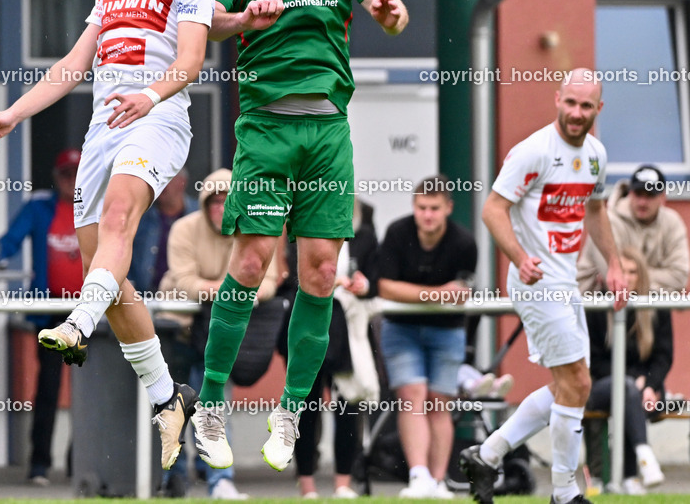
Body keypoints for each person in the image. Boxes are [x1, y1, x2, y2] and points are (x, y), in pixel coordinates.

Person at [0, 0, 217, 472]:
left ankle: (75, 325)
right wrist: (14, 112)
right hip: (104, 129)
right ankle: (169, 397)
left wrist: (151, 96)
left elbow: (189, 64)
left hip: (157, 118)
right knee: (108, 274)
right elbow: (73, 65)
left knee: (117, 222)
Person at [191, 0, 408, 473]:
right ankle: (209, 401)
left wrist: (391, 13)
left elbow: (385, 7)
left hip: (327, 132)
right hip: (265, 129)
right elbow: (207, 26)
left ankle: (289, 412)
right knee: (254, 262)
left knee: (318, 273)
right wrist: (242, 19)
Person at [460, 68, 629, 504]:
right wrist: (519, 257)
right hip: (536, 282)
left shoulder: (595, 154)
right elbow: (494, 210)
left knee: (569, 387)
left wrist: (615, 264)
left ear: (599, 109)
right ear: (557, 99)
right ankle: (564, 493)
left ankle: (488, 454)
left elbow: (595, 211)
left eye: (585, 106)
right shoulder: (533, 151)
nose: (576, 113)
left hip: (566, 281)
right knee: (576, 382)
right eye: (570, 103)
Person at [158, 168, 278, 498]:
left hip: (220, 332)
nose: (220, 208)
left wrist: (226, 293)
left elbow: (270, 280)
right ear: (204, 202)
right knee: (172, 408)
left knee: (214, 405)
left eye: (227, 200)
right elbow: (184, 281)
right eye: (214, 201)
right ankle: (173, 478)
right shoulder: (184, 229)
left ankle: (220, 479)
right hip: (181, 332)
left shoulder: (255, 231)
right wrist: (231, 291)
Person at [375, 176, 477, 499]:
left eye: (434, 208)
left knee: (439, 403)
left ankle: (438, 480)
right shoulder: (396, 233)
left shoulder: (464, 243)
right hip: (400, 328)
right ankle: (418, 475)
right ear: (413, 207)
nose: (428, 215)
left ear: (448, 208)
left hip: (448, 330)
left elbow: (460, 294)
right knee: (412, 394)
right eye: (422, 208)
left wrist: (428, 295)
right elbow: (386, 286)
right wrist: (435, 294)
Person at [0, 148, 83, 485]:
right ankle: (39, 465)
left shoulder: (96, 208)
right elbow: (10, 241)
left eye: (76, 174)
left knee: (87, 391)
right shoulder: (39, 207)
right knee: (48, 388)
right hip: (50, 312)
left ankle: (81, 461)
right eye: (65, 174)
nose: (71, 181)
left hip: (87, 312)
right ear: (56, 177)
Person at [289, 198, 377, 499]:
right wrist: (325, 282)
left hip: (347, 332)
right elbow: (290, 278)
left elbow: (376, 278)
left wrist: (363, 285)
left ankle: (343, 483)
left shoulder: (364, 230)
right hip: (309, 326)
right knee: (306, 409)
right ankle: (307, 485)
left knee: (348, 408)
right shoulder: (301, 224)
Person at [584, 246, 670, 494]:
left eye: (633, 272)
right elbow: (593, 360)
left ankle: (631, 476)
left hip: (648, 389)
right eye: (623, 271)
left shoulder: (655, 304)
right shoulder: (596, 305)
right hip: (602, 385)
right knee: (626, 389)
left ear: (641, 274)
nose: (628, 277)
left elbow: (664, 356)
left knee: (630, 395)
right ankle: (638, 468)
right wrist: (636, 381)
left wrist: (651, 385)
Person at [577, 163, 690, 294]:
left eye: (649, 195)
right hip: (595, 301)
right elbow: (614, 280)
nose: (642, 202)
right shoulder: (608, 221)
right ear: (630, 193)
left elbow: (679, 277)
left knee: (661, 305)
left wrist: (634, 278)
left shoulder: (672, 223)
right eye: (638, 194)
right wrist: (654, 277)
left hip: (650, 301)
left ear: (662, 197)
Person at [128, 169, 198, 293]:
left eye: (167, 179)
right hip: (143, 297)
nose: (161, 184)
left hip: (190, 297)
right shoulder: (139, 215)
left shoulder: (199, 214)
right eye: (157, 179)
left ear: (182, 182)